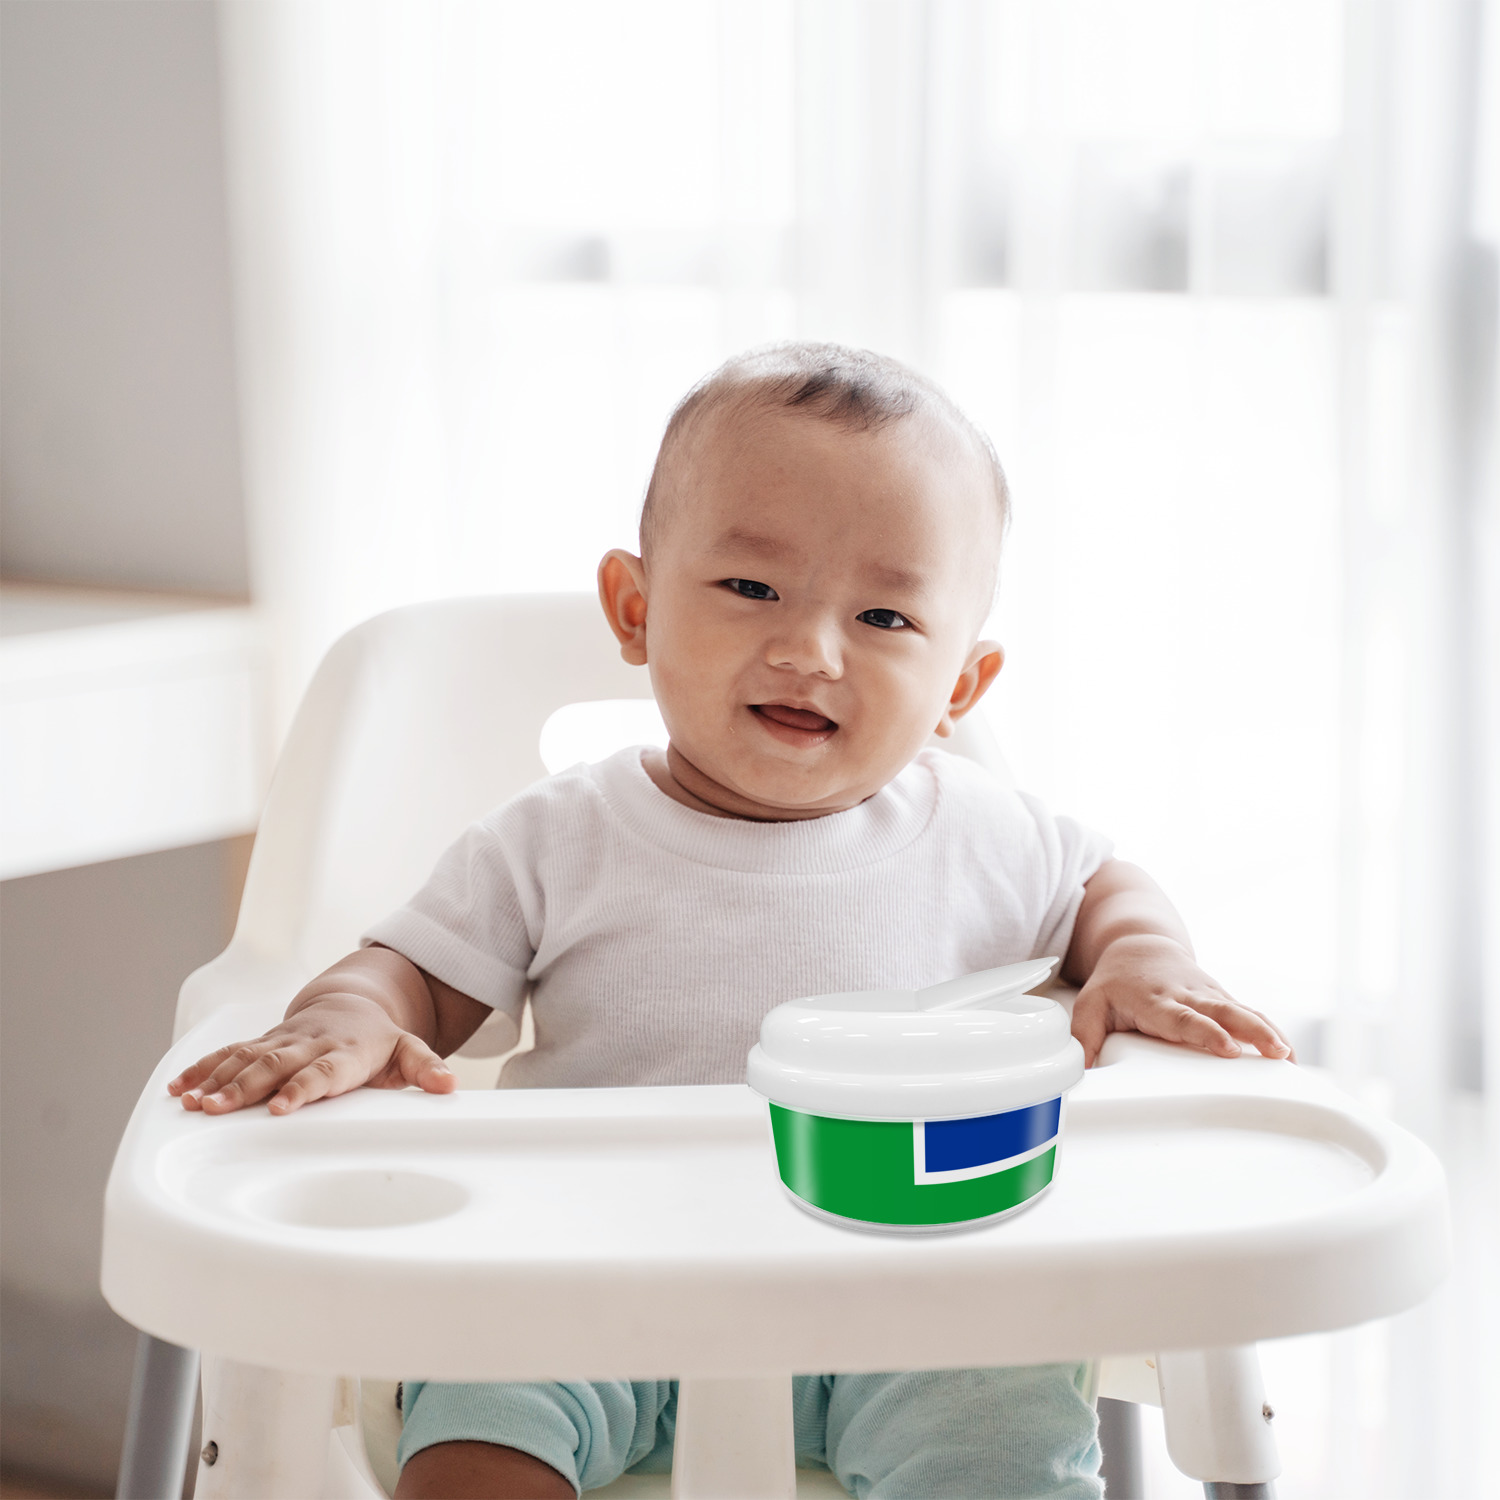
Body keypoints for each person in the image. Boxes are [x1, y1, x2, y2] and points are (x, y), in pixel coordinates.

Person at [169, 343, 1293, 1500]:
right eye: (754, 588)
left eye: (885, 615)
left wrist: (1146, 956)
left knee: (1002, 1427)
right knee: (478, 1426)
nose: (810, 651)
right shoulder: (559, 836)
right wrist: (348, 1015)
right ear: (636, 608)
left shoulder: (988, 833)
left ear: (960, 684)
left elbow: (1106, 887)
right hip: (590, 1276)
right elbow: (411, 974)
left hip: (917, 1297)